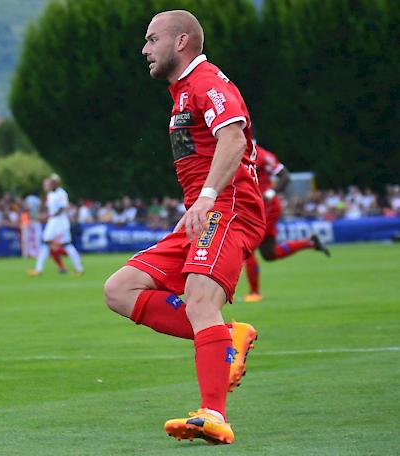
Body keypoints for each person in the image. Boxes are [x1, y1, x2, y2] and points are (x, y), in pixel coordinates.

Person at [103, 10, 265, 445]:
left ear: (181, 42)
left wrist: (209, 198)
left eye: (152, 39)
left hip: (227, 209)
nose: (144, 49)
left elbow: (234, 138)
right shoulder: (182, 93)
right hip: (202, 213)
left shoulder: (206, 81)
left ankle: (214, 413)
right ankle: (227, 338)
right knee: (119, 290)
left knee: (198, 298)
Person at [243, 142, 330, 302]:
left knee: (247, 245)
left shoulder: (260, 155)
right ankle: (309, 242)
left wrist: (271, 193)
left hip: (264, 205)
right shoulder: (238, 150)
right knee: (269, 253)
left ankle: (254, 293)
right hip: (254, 205)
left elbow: (285, 175)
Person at [27, 174, 84, 276]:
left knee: (64, 244)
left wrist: (50, 215)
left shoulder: (61, 193)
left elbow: (62, 208)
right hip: (54, 221)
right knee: (50, 243)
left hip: (59, 221)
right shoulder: (51, 194)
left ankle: (79, 268)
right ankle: (38, 269)